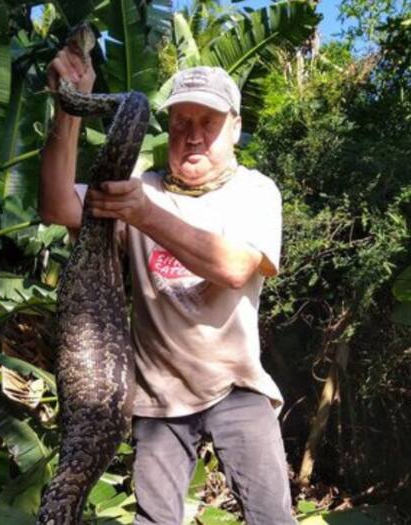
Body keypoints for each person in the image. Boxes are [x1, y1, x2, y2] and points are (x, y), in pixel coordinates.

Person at [40, 43, 294, 524]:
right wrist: (69, 105)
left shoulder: (254, 191)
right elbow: (56, 204)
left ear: (235, 128)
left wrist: (144, 215)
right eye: (181, 124)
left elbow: (237, 267)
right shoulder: (142, 187)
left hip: (237, 388)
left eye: (208, 124)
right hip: (158, 402)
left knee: (272, 518)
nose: (193, 137)